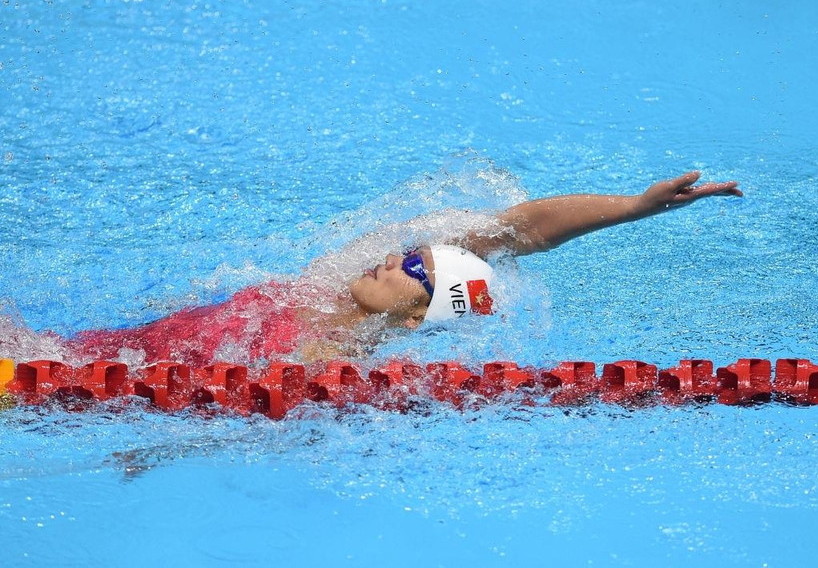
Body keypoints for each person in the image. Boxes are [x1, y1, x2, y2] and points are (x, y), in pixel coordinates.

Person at [69, 171, 741, 366]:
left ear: (421, 313)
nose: (393, 256)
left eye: (413, 268)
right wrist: (632, 206)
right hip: (93, 347)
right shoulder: (331, 284)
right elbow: (521, 227)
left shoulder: (328, 360)